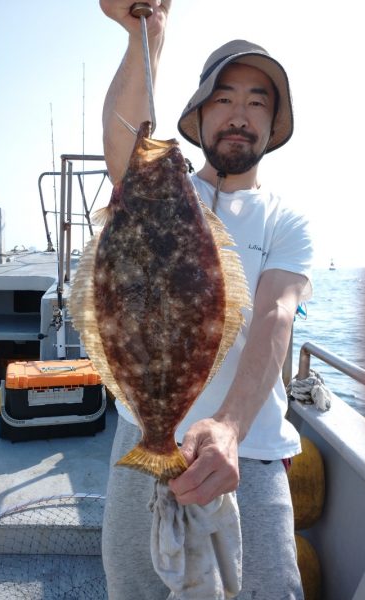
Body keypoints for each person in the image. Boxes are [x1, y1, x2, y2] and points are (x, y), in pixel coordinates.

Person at [99, 1, 313, 598]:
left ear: (273, 125)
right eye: (224, 98)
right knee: (134, 588)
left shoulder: (287, 222)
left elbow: (275, 316)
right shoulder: (161, 189)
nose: (239, 115)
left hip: (249, 450)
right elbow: (125, 136)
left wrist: (228, 426)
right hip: (144, 431)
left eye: (257, 101)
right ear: (198, 113)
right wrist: (150, 35)